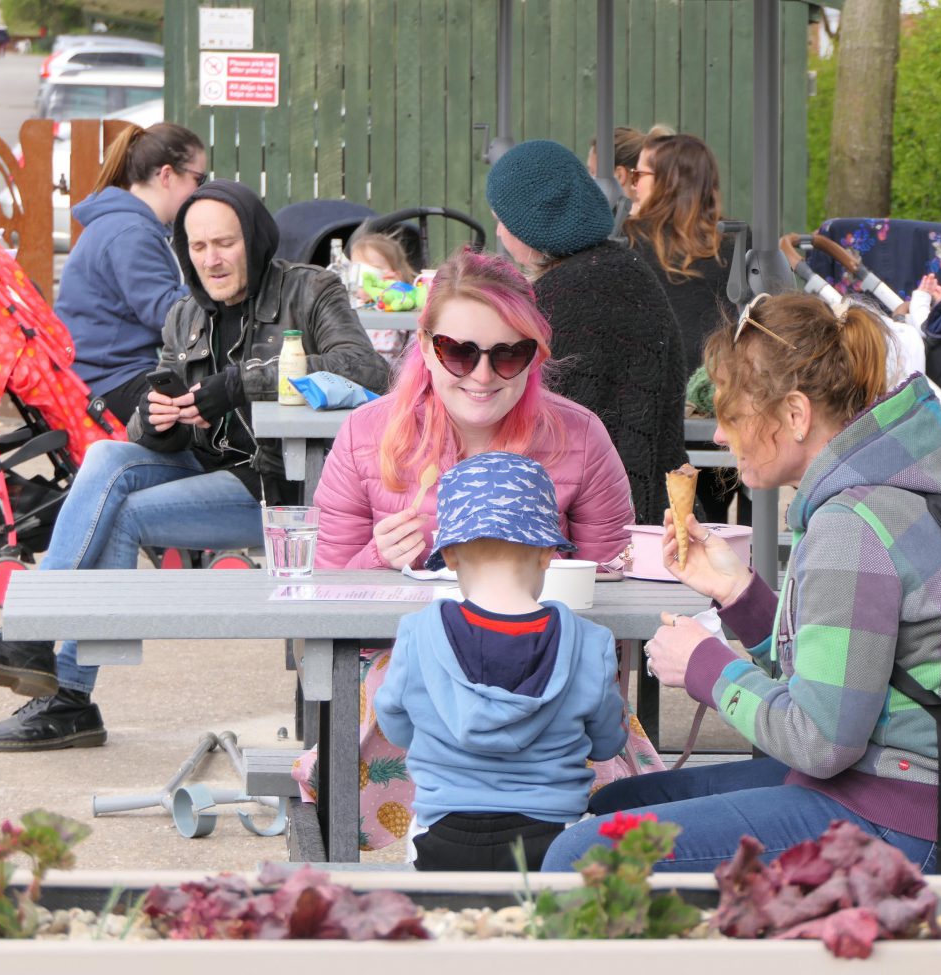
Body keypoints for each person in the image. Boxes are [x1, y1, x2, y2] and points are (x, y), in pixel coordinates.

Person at [542, 293, 941, 876]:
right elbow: (839, 680)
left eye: (733, 417)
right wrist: (739, 593)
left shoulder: (851, 527)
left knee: (583, 856)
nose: (718, 436)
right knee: (619, 803)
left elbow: (820, 741)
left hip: (907, 824)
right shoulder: (886, 490)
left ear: (794, 415)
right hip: (903, 793)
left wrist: (707, 668)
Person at [0, 180, 390, 752]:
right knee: (107, 455)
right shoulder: (185, 313)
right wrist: (155, 419)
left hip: (279, 489)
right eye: (199, 247)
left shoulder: (310, 288)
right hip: (205, 466)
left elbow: (365, 369)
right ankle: (42, 651)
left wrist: (241, 384)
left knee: (122, 513)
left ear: (254, 239)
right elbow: (152, 437)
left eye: (225, 243)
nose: (212, 260)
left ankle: (62, 686)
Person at [310, 247, 642, 851]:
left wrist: (540, 577)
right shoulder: (366, 434)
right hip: (403, 666)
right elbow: (322, 591)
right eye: (459, 352)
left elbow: (614, 578)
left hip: (543, 663)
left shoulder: (579, 436)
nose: (483, 376)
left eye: (507, 354)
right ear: (424, 344)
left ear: (534, 355)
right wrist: (376, 558)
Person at [374, 451, 628, 871]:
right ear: (547, 553)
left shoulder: (418, 634)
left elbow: (396, 727)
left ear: (449, 555)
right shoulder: (589, 642)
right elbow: (607, 744)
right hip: (555, 839)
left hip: (438, 837)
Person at [486, 139, 689, 525]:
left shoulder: (558, 299)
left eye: (502, 220)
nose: (499, 231)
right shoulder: (631, 271)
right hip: (658, 510)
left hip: (594, 522)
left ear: (530, 226)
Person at [58, 122, 205, 424]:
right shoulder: (131, 232)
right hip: (108, 381)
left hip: (100, 373)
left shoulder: (127, 224)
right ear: (167, 175)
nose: (200, 191)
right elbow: (165, 314)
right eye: (198, 179)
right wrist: (216, 286)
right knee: (204, 413)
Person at [624, 133, 737, 521]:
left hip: (651, 416)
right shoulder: (736, 246)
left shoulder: (629, 245)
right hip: (720, 407)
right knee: (715, 511)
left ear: (667, 182)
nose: (633, 185)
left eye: (639, 175)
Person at [348, 231, 416, 360]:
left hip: (390, 366)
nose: (361, 279)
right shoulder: (349, 303)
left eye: (368, 271)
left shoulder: (399, 305)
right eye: (355, 270)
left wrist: (396, 292)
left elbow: (414, 339)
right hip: (355, 363)